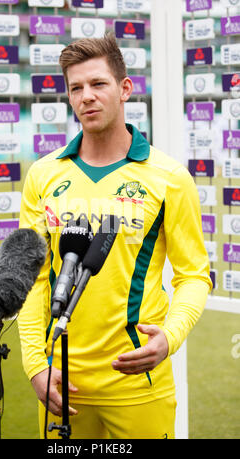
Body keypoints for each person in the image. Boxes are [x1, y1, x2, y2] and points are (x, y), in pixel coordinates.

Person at [17, 32, 212, 439]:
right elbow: (34, 279)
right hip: (62, 381)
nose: (87, 96)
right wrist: (36, 364)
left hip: (139, 384)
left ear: (125, 89)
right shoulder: (43, 174)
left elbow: (194, 275)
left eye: (98, 84)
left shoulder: (170, 178)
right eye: (76, 88)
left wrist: (170, 338)